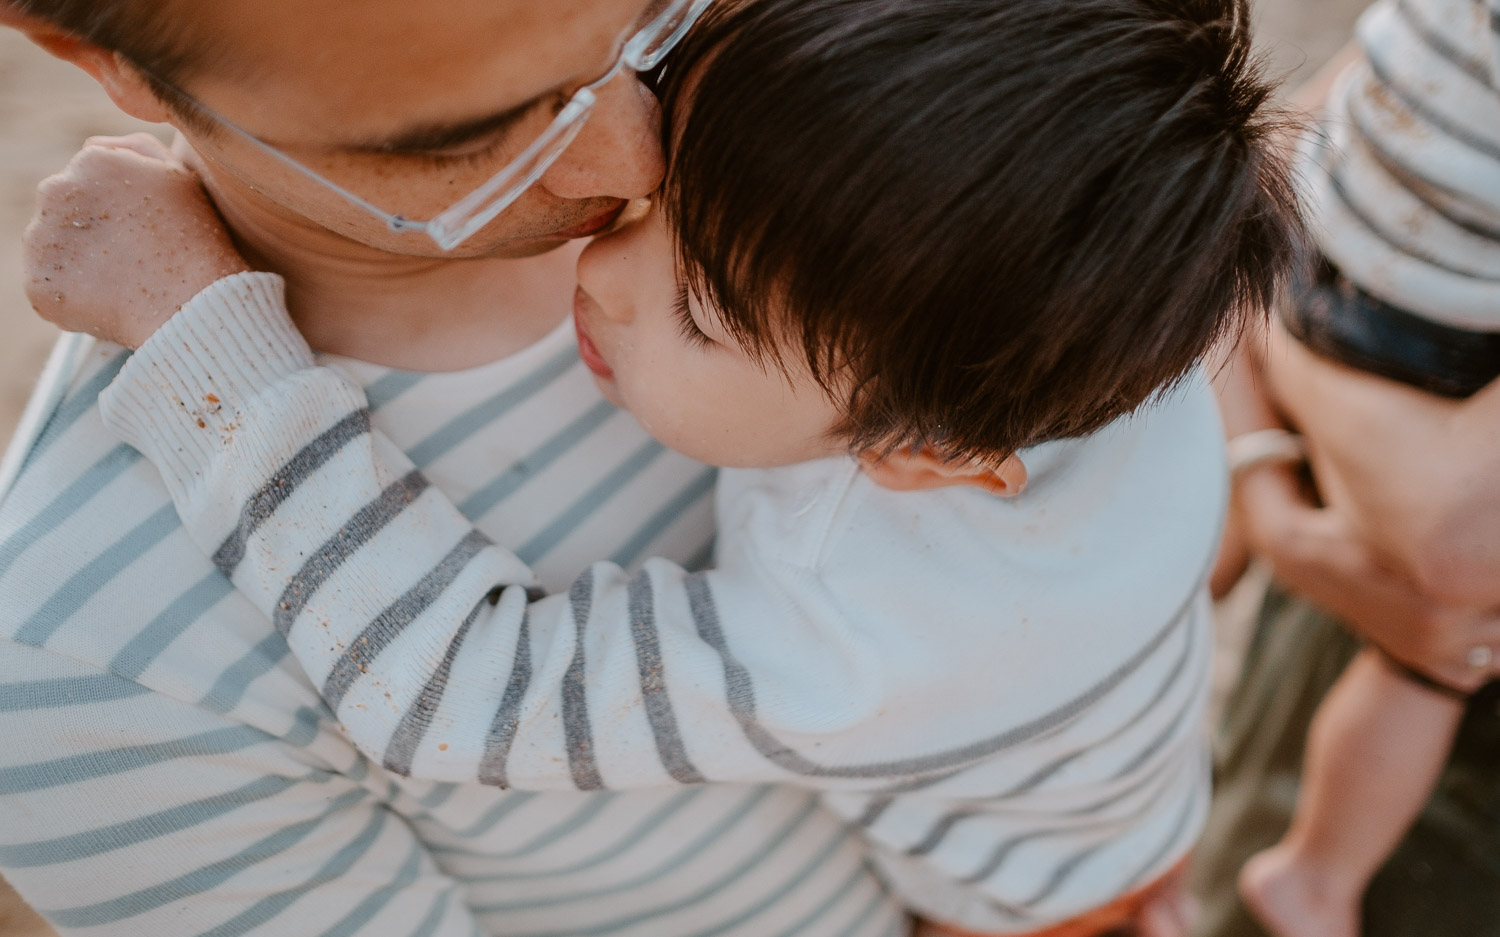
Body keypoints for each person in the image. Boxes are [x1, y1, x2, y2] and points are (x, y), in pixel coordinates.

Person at [23, 0, 1303, 933]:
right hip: (1124, 765)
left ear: (925, 458)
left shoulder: (861, 631)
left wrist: (208, 348)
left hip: (1031, 904)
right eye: (474, 134)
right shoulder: (1044, 287)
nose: (619, 207)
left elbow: (463, 693)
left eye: (653, 26)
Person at [0, 0, 913, 933]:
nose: (640, 160)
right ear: (101, 54)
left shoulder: (851, 128)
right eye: (466, 144)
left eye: (652, 20)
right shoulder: (90, 664)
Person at [1193, 0, 1500, 934]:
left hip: (1338, 300)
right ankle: (1314, 876)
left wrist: (1279, 368)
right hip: (1383, 550)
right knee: (1431, 651)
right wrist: (1274, 501)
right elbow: (1456, 551)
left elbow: (1260, 209)